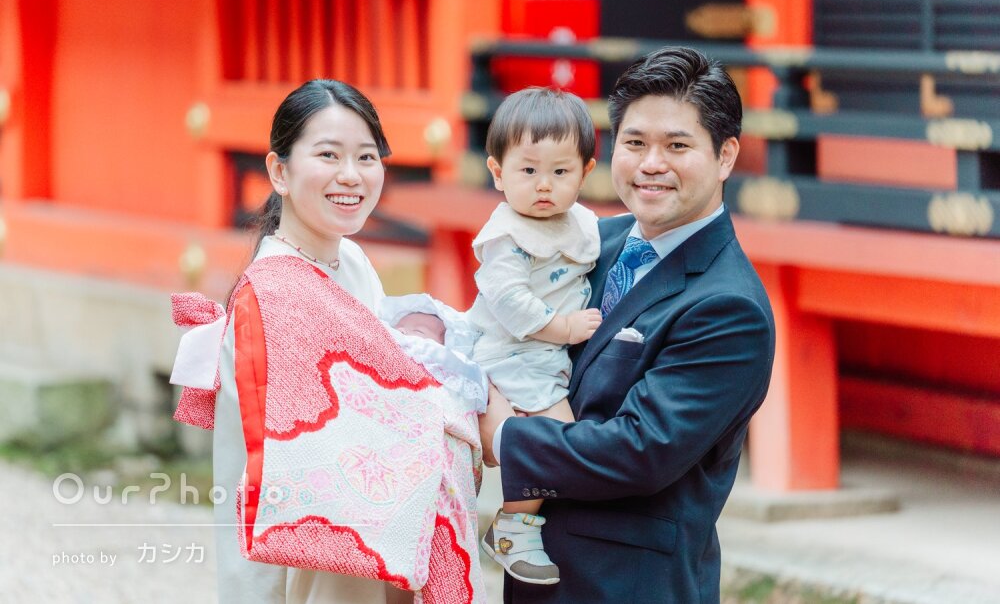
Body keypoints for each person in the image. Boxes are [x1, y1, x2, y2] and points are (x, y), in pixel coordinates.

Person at [479, 47, 776, 603]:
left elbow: (641, 450)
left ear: (726, 156)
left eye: (677, 146)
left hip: (629, 586)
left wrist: (504, 435)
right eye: (635, 143)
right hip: (540, 581)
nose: (651, 164)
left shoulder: (729, 307)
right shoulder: (587, 241)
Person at [170, 80, 481, 603]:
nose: (351, 175)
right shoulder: (277, 295)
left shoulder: (350, 259)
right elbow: (370, 416)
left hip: (365, 537)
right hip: (306, 552)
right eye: (329, 155)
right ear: (279, 172)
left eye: (366, 157)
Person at [465, 87, 603, 585]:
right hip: (512, 353)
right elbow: (509, 300)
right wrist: (563, 328)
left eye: (561, 172)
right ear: (498, 171)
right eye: (528, 170)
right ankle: (512, 526)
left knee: (555, 444)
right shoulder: (506, 237)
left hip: (544, 357)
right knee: (557, 442)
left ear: (585, 172)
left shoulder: (582, 223)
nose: (544, 185)